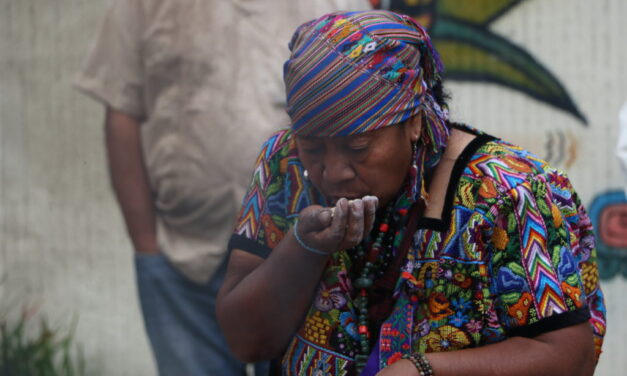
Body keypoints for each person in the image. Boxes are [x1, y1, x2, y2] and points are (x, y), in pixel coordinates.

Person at [217, 10, 607, 375]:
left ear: (414, 122)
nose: (332, 172)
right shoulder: (285, 166)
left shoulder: (508, 192)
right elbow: (245, 342)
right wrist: (303, 247)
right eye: (313, 147)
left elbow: (570, 355)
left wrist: (426, 370)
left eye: (357, 147)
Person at [74, 0, 370, 375]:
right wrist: (147, 247)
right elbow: (121, 111)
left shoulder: (339, 5)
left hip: (302, 259)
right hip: (181, 258)